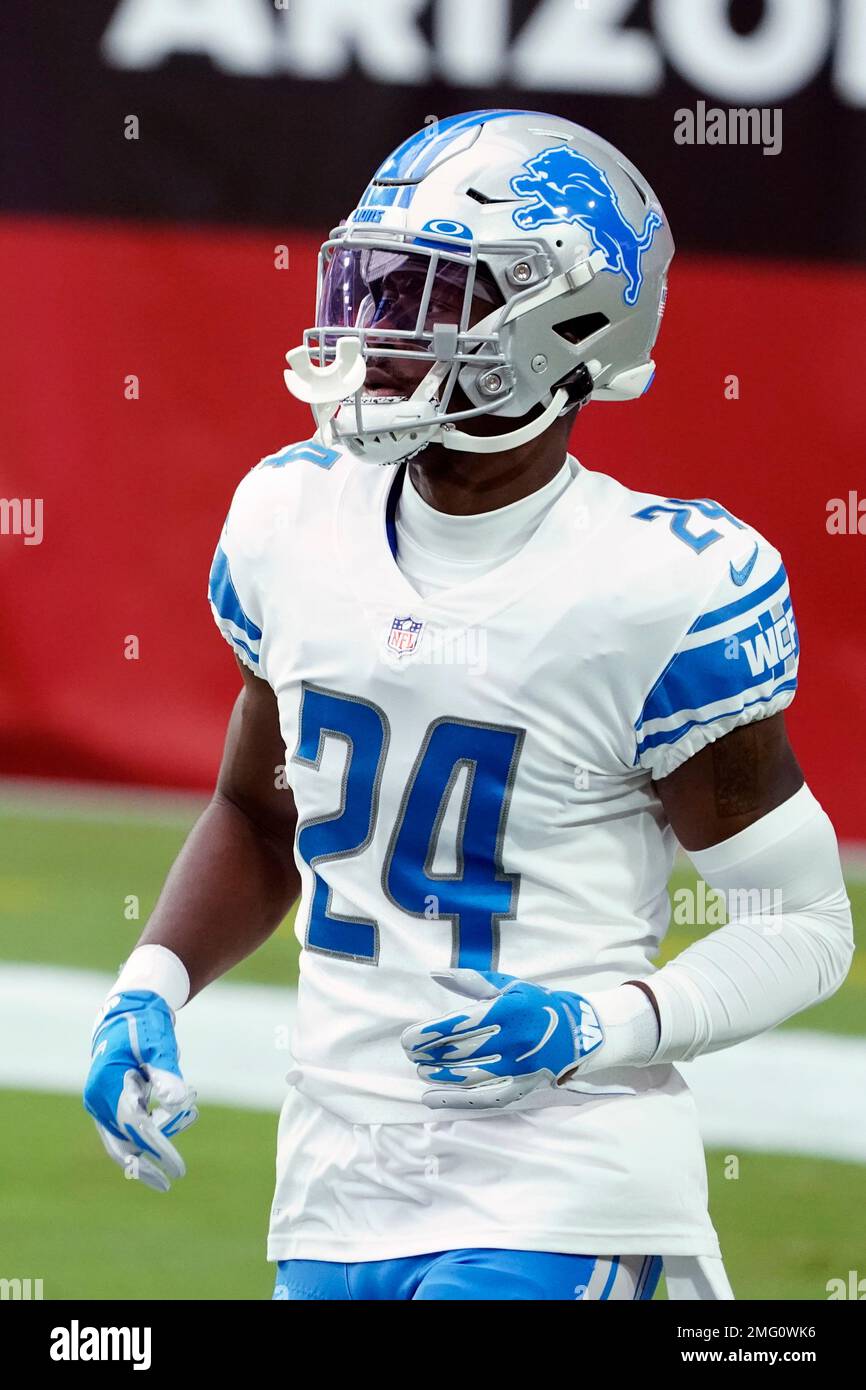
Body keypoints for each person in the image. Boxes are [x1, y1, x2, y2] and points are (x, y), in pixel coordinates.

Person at [83, 110, 853, 1302]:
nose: (376, 332)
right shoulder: (293, 517)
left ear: (569, 325)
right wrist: (150, 980)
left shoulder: (656, 586)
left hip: (563, 1182)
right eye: (375, 284)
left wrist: (604, 1024)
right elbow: (257, 809)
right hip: (334, 1190)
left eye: (431, 297)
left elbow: (801, 925)